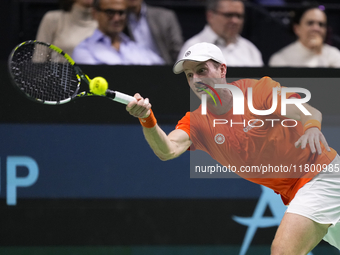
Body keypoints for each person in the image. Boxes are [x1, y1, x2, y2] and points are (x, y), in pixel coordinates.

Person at [126, 42, 340, 253]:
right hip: (297, 190)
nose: (196, 80)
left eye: (202, 70)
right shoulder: (197, 122)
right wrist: (147, 118)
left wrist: (311, 128)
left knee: (284, 251)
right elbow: (168, 149)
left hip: (322, 174)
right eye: (190, 75)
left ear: (222, 70)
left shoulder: (257, 91)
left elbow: (306, 112)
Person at [72, 0, 164, 65]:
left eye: (121, 12)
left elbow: (163, 69)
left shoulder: (136, 48)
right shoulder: (83, 50)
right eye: (110, 12)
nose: (116, 18)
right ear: (95, 14)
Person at [177, 0, 263, 67]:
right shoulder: (193, 48)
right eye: (229, 15)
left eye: (239, 16)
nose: (235, 21)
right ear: (210, 16)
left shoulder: (250, 49)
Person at [269, 5, 340, 67]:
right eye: (310, 23)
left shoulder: (335, 55)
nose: (316, 28)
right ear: (297, 28)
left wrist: (319, 53)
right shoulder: (281, 59)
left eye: (321, 24)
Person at [124, 0, 184, 65]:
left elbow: (178, 50)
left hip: (165, 68)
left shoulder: (165, 16)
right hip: (133, 68)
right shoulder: (119, 19)